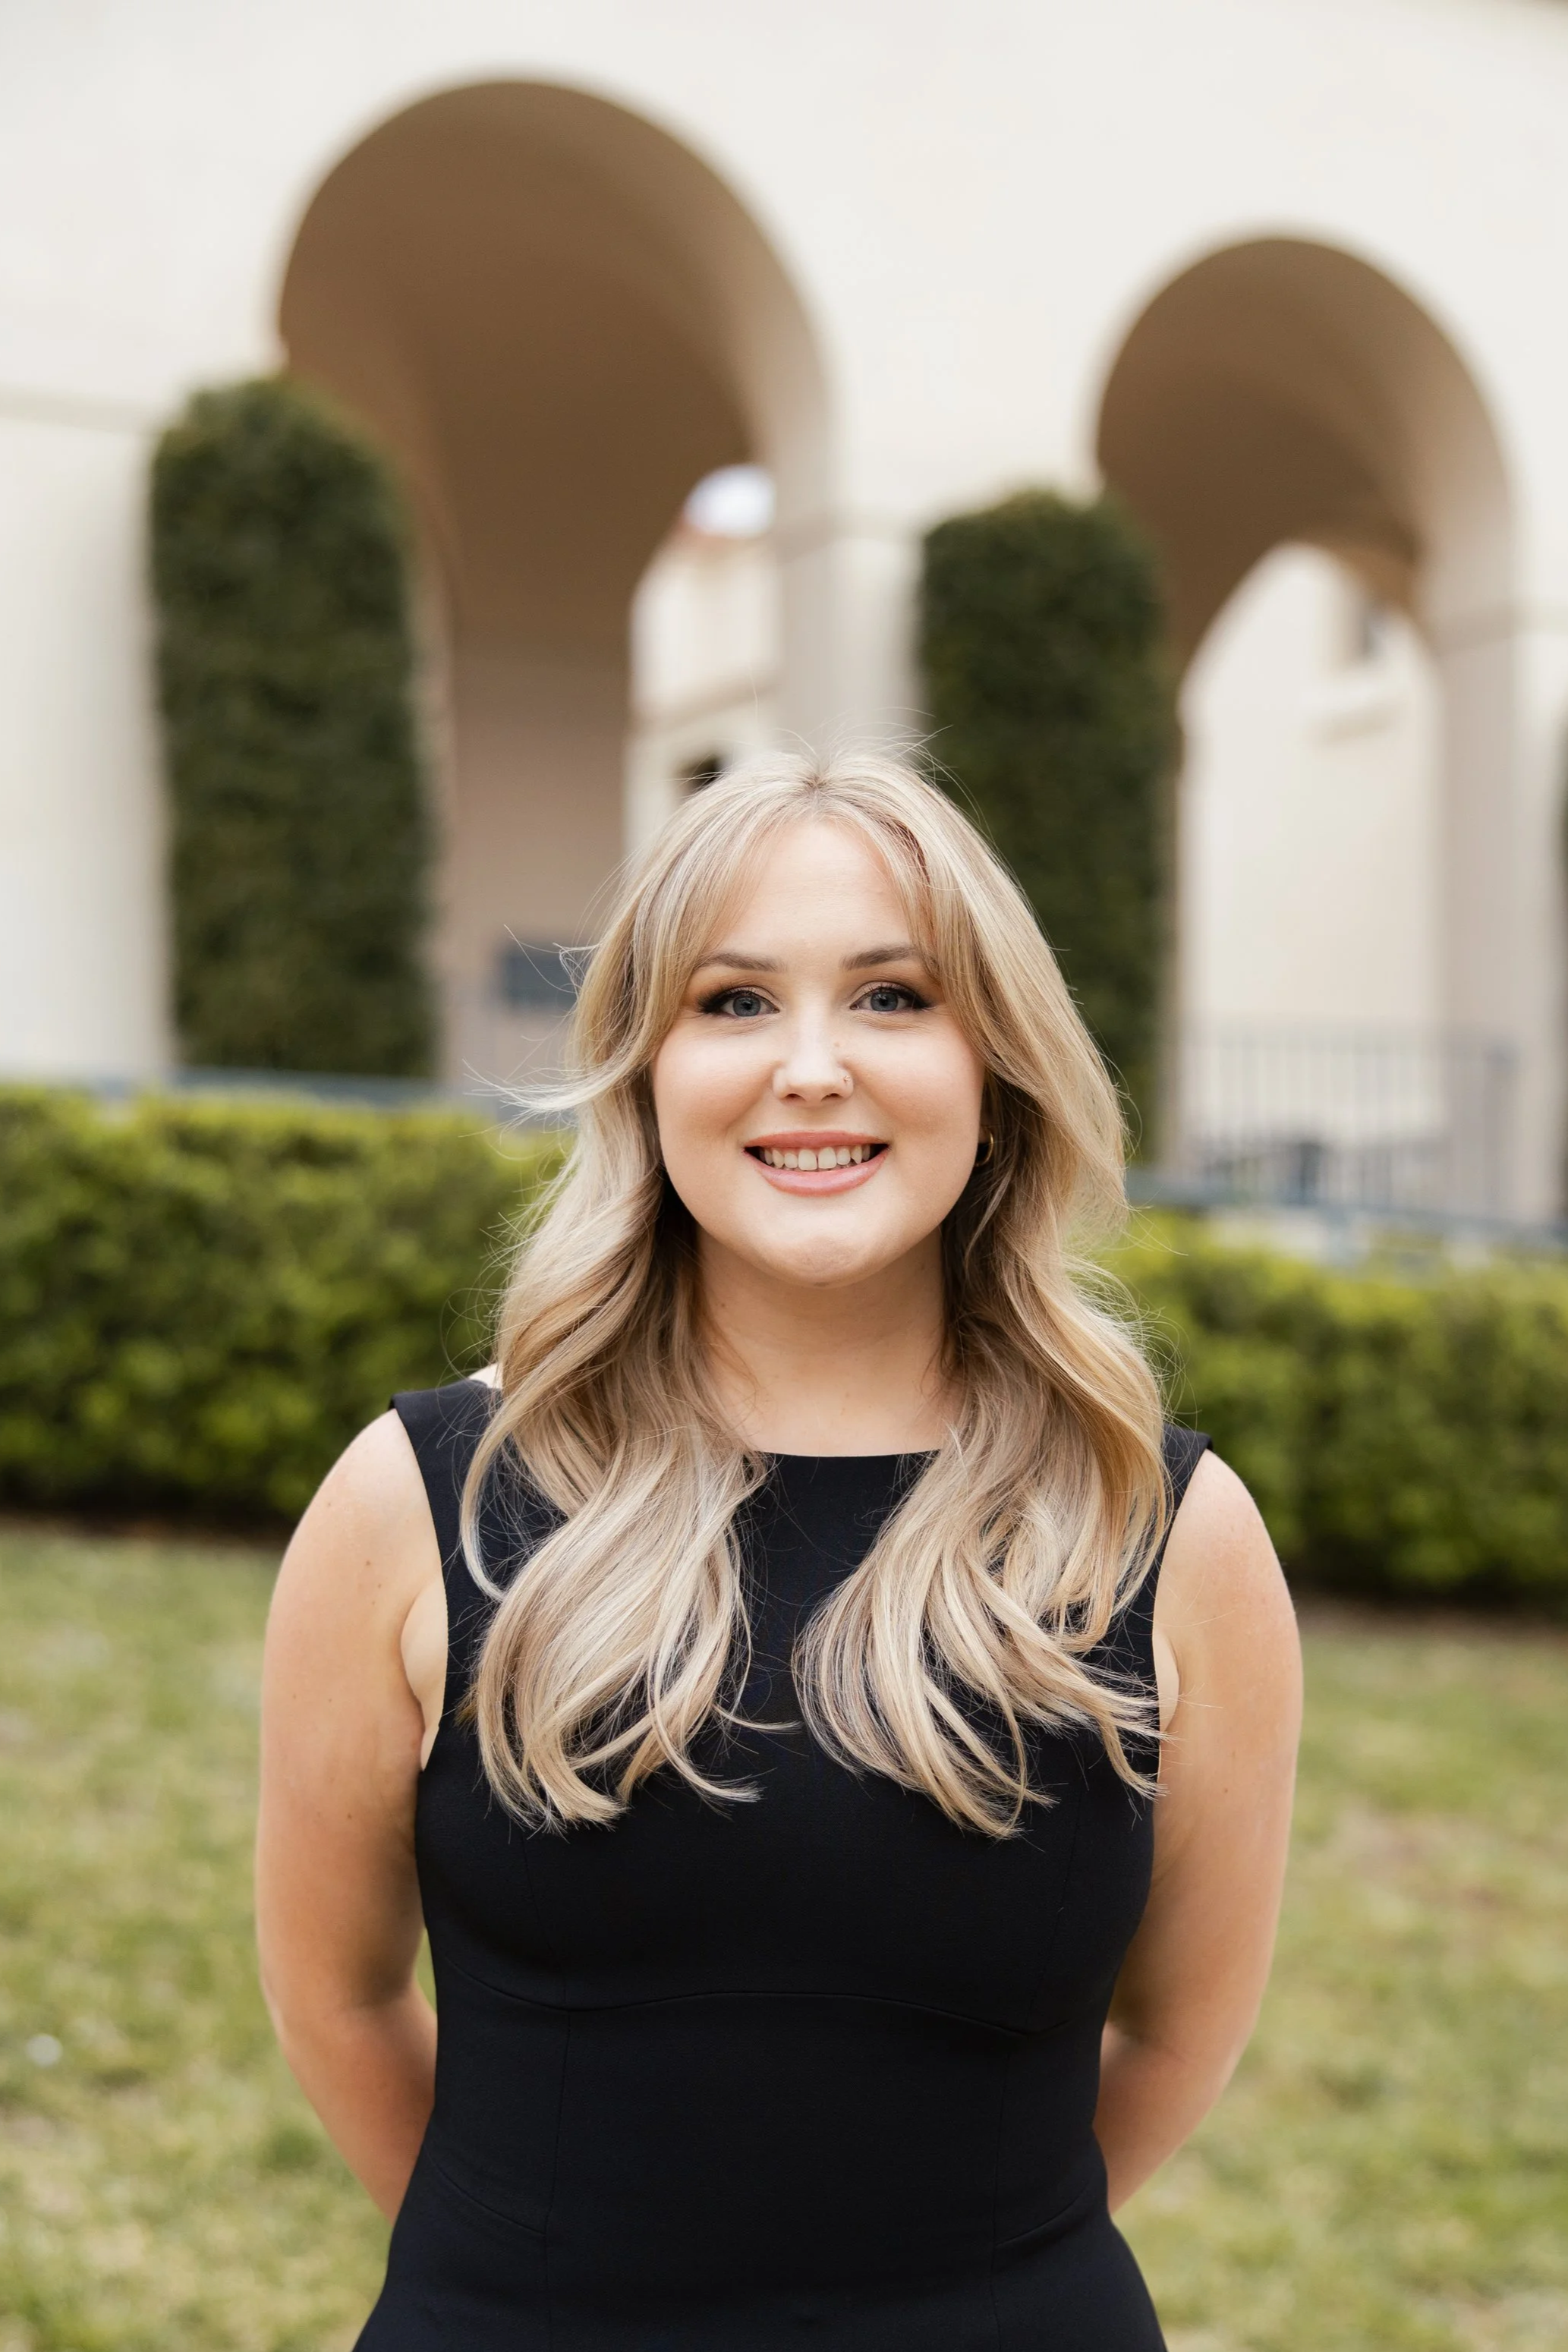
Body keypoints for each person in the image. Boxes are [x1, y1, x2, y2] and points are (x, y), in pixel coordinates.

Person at [257, 751, 1301, 2350]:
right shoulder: (428, 1494)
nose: (810, 1067)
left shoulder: (1161, 1529)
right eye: (733, 1002)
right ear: (643, 1065)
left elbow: (1177, 2040)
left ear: (996, 1062)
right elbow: (335, 1999)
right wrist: (530, 2277)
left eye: (892, 996)